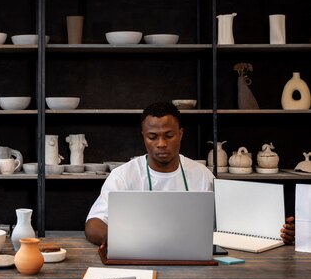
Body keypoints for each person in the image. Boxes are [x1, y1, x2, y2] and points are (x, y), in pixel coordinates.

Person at [84, 102, 295, 246]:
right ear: (143, 137)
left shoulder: (201, 175)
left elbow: (232, 222)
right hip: (138, 256)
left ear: (181, 134)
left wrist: (278, 230)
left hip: (194, 260)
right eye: (152, 137)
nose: (161, 144)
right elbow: (93, 226)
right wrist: (130, 239)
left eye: (169, 135)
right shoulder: (123, 176)